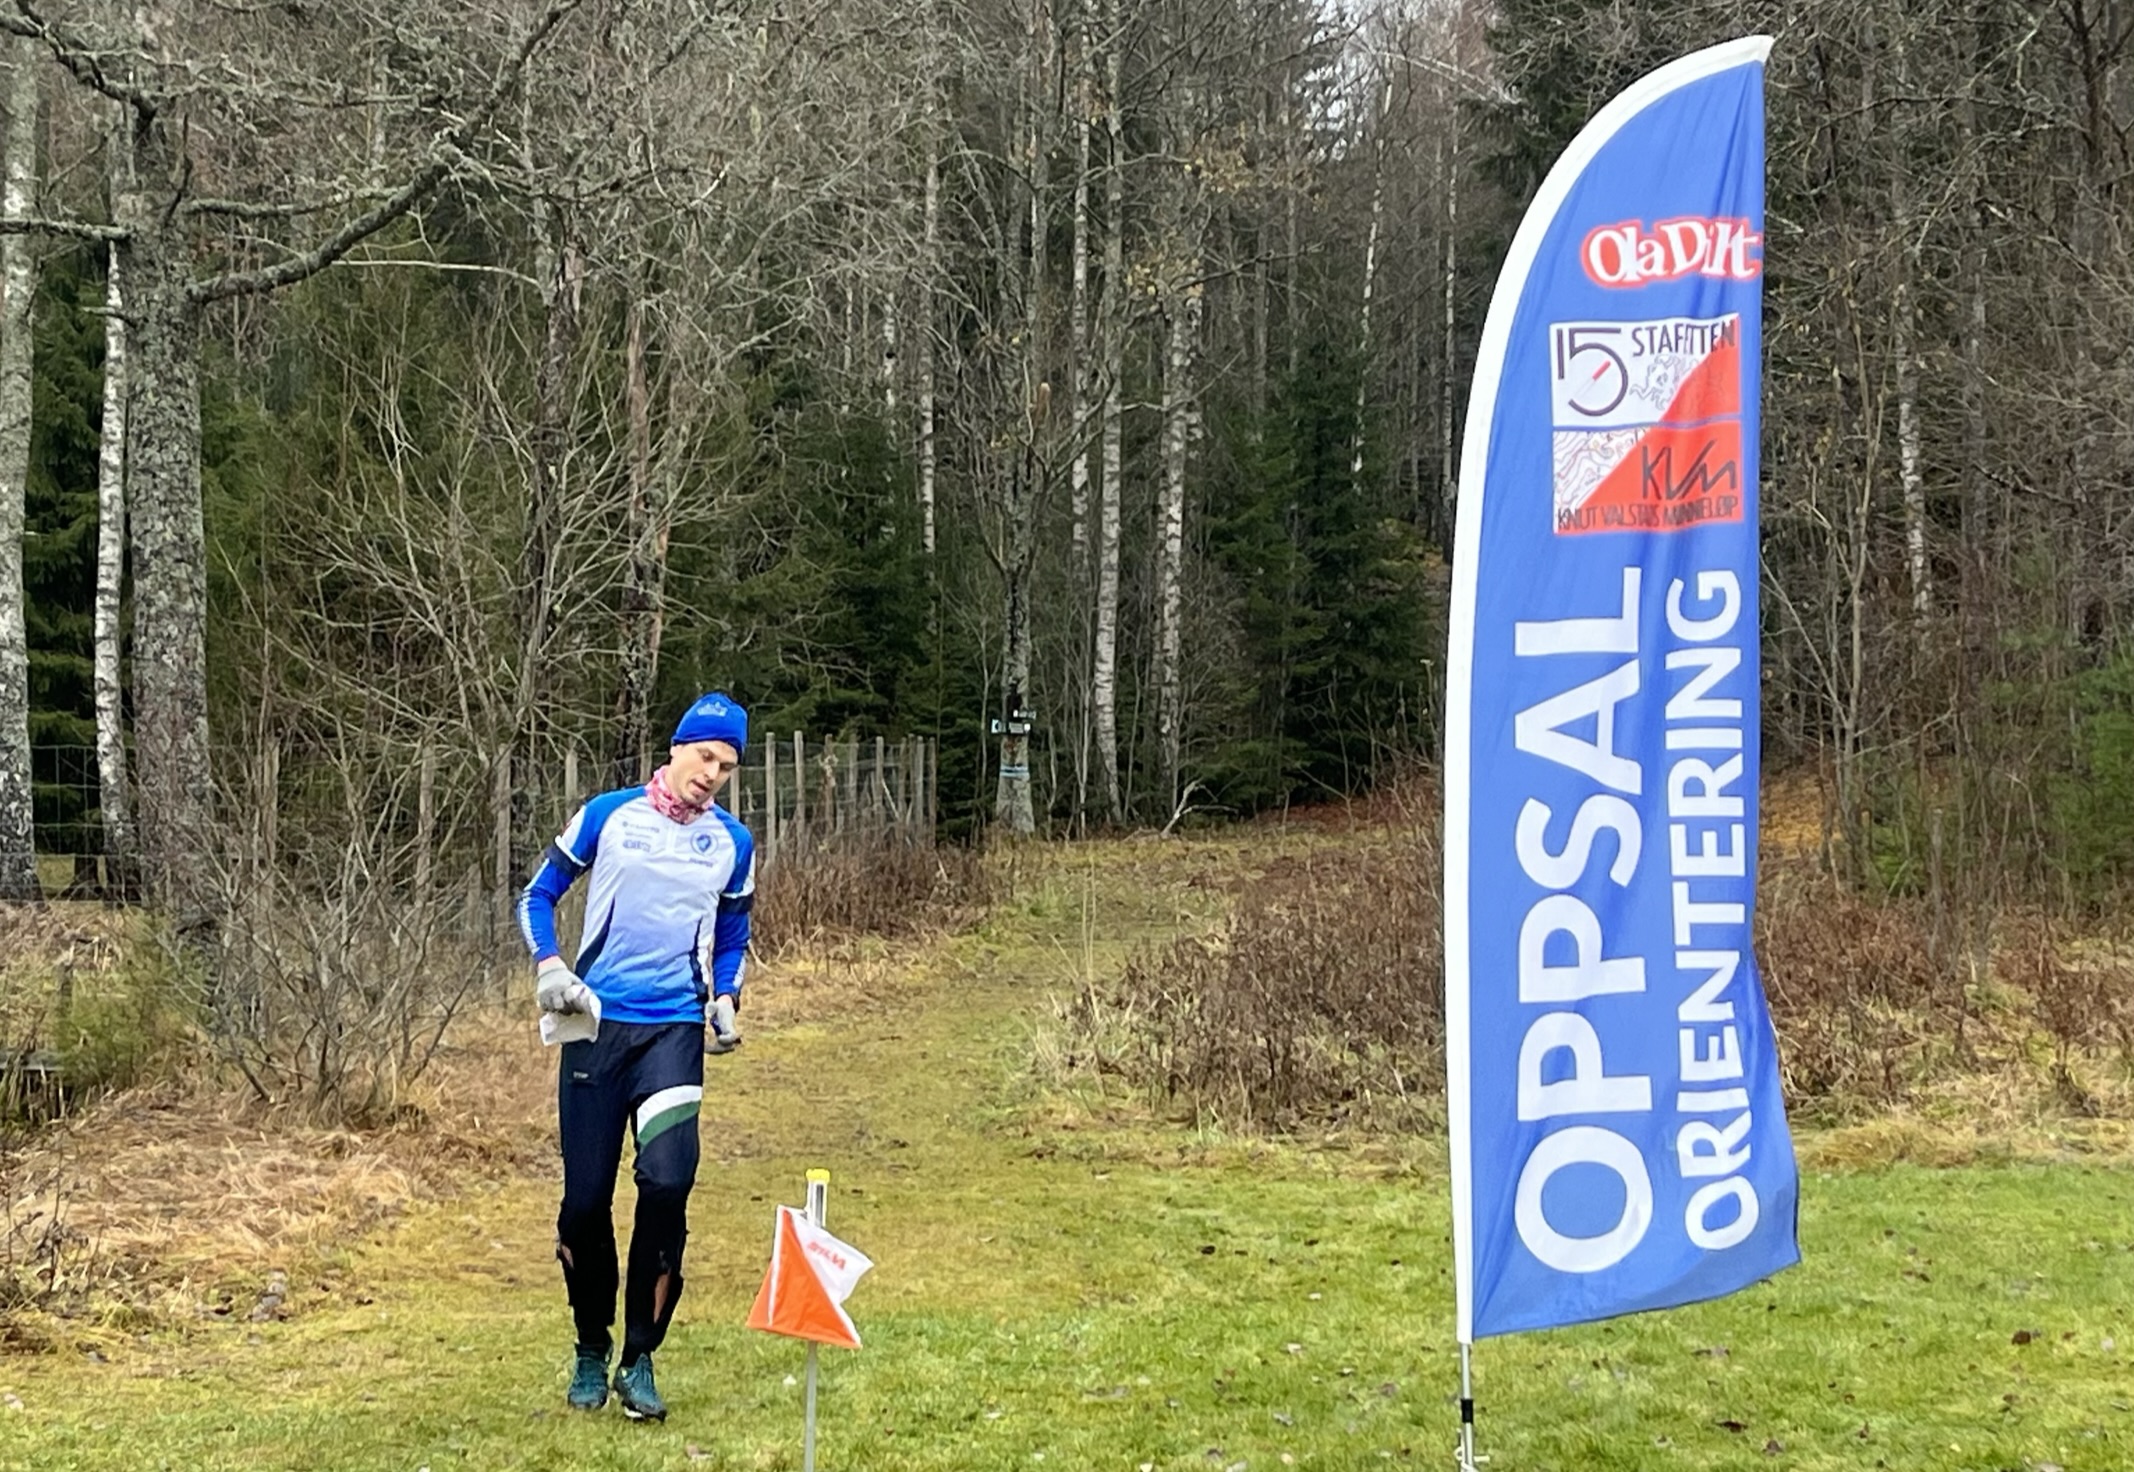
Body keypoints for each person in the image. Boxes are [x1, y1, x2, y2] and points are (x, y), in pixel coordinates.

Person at [518, 691, 756, 1421]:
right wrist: (550, 966)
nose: (712, 774)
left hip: (673, 1033)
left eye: (727, 765)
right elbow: (536, 896)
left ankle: (640, 1358)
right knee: (585, 1202)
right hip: (597, 1030)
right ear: (677, 748)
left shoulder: (732, 843)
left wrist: (726, 997)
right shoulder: (608, 815)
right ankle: (592, 1347)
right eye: (705, 756)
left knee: (668, 1181)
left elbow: (732, 934)